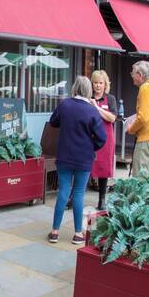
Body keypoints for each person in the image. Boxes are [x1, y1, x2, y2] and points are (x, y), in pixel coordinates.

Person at [48, 76, 107, 246]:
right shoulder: (92, 110)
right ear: (88, 90)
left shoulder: (65, 105)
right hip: (83, 157)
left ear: (74, 88)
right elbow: (102, 138)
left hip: (64, 155)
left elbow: (53, 122)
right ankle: (78, 234)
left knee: (63, 191)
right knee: (79, 193)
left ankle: (55, 232)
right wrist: (91, 147)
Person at [89, 70, 118, 209]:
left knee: (103, 168)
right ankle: (73, 197)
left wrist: (96, 107)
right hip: (89, 137)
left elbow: (112, 118)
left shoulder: (110, 99)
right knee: (84, 166)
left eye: (101, 83)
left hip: (106, 138)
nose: (98, 86)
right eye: (95, 83)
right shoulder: (88, 97)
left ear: (105, 84)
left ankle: (101, 199)